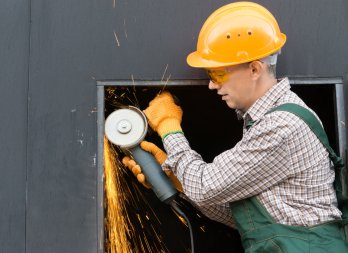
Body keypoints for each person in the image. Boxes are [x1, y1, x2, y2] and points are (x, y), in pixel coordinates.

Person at [122, 2, 348, 252]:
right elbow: (242, 219)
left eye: (217, 74)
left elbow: (205, 188)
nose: (211, 85)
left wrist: (168, 126)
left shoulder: (281, 127)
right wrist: (177, 180)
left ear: (254, 69)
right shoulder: (266, 122)